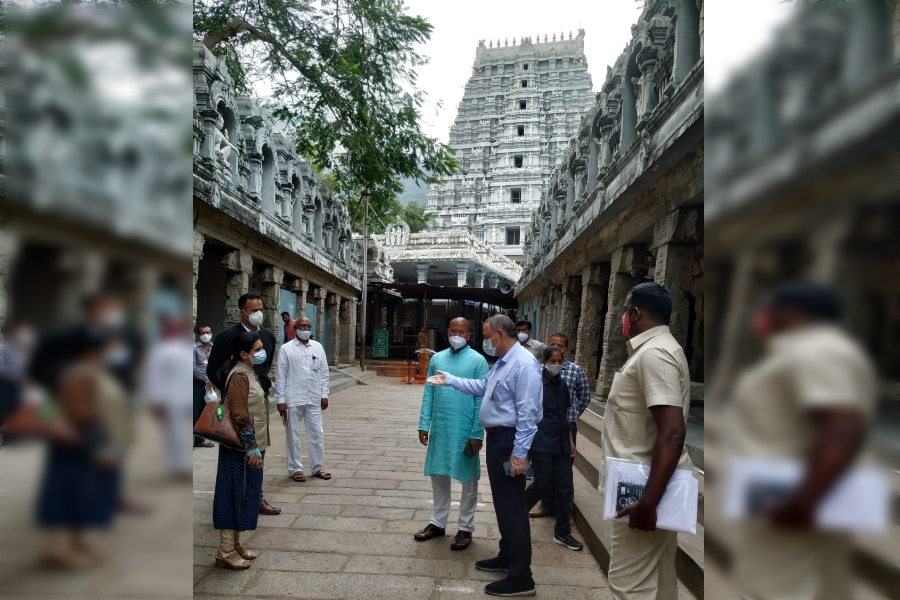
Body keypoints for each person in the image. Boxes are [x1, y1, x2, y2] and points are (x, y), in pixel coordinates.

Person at [727, 282, 876, 600]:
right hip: (789, 494)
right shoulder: (815, 351)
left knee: (774, 589)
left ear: (791, 313)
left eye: (771, 309)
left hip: (792, 501)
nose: (764, 317)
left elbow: (843, 427)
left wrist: (802, 504)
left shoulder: (818, 351)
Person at [427, 314, 542, 597]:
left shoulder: (524, 364)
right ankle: (507, 557)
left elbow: (529, 415)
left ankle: (521, 577)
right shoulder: (504, 363)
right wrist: (451, 380)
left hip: (509, 441)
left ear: (501, 335)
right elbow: (482, 387)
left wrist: (519, 455)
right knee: (504, 506)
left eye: (489, 336)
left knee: (513, 508)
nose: (488, 342)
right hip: (498, 438)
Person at [602, 282, 691, 600]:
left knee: (628, 585)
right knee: (660, 577)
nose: (623, 318)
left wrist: (648, 503)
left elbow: (672, 431)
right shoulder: (658, 350)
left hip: (641, 491)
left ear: (636, 313)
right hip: (645, 483)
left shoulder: (656, 355)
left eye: (625, 312)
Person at [36, 331, 125, 568]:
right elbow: (74, 412)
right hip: (76, 443)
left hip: (83, 443)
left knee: (80, 494)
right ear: (89, 351)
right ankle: (57, 549)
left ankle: (76, 542)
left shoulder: (88, 373)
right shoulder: (78, 375)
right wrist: (102, 443)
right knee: (65, 494)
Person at [414, 317, 489, 551]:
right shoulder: (437, 358)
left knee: (468, 479)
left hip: (466, 428)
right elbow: (429, 392)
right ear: (447, 332)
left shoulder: (478, 361)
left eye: (462, 331)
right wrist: (424, 423)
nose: (457, 334)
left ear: (469, 335)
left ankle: (466, 526)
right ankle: (438, 522)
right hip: (441, 426)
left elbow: (481, 398)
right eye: (453, 330)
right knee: (438, 474)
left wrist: (477, 433)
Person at [206, 293, 280, 516]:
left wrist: (261, 385)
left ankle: (256, 497)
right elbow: (213, 370)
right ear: (243, 312)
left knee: (259, 448)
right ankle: (231, 502)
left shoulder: (267, 337)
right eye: (254, 309)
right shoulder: (226, 337)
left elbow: (265, 367)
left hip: (260, 399)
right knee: (235, 450)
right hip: (236, 404)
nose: (259, 313)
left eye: (261, 308)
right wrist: (234, 391)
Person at [211, 330, 267, 570]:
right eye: (257, 350)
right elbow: (240, 414)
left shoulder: (248, 371)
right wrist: (251, 448)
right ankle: (225, 550)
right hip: (241, 447)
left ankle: (235, 544)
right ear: (244, 354)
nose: (262, 353)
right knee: (232, 493)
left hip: (251, 444)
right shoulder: (240, 376)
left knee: (244, 493)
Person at [524, 346, 582, 551]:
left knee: (565, 487)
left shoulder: (563, 386)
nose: (557, 365)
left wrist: (571, 440)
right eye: (553, 361)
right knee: (542, 483)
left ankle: (562, 532)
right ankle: (517, 514)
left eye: (560, 362)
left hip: (562, 443)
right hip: (541, 443)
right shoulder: (536, 384)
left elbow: (565, 415)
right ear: (544, 362)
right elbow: (527, 413)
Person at [530, 332, 590, 519]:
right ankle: (546, 505)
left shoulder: (575, 371)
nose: (556, 364)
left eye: (560, 345)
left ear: (566, 350)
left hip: (566, 427)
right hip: (543, 430)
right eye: (552, 343)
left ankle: (564, 514)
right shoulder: (535, 373)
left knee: (564, 473)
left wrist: (573, 416)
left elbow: (585, 396)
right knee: (543, 473)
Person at [274, 316, 331, 483]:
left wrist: (324, 394)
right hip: (293, 398)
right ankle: (295, 469)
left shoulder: (318, 347)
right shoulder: (286, 349)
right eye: (302, 326)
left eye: (308, 326)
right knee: (292, 435)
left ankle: (317, 466)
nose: (305, 329)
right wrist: (280, 400)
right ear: (295, 328)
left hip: (314, 397)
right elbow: (280, 375)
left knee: (317, 434)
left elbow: (324, 372)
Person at [143, 317, 193, 481]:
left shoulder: (186, 349)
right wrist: (155, 399)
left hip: (187, 396)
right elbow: (154, 376)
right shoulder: (160, 350)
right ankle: (178, 467)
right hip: (171, 397)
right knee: (175, 433)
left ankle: (182, 465)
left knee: (185, 433)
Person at [0, 323, 35, 433]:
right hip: (6, 386)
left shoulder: (24, 351)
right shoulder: (3, 348)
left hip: (21, 386)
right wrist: (18, 377)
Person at [193, 325, 215, 448]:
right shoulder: (194, 348)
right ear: (198, 334)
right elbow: (192, 367)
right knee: (195, 410)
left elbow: (218, 364)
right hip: (197, 383)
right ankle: (195, 439)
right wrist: (206, 379)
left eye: (207, 332)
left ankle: (200, 439)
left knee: (206, 411)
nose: (205, 334)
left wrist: (213, 380)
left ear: (211, 333)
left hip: (211, 385)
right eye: (202, 332)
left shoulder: (215, 348)